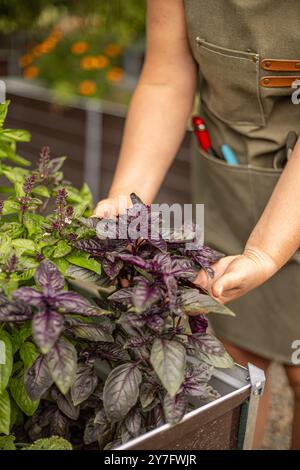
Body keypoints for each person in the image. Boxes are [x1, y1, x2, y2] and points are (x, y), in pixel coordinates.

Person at [94, 0, 300, 449]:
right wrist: (126, 200)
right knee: (239, 362)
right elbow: (166, 76)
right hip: (229, 175)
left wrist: (264, 252)